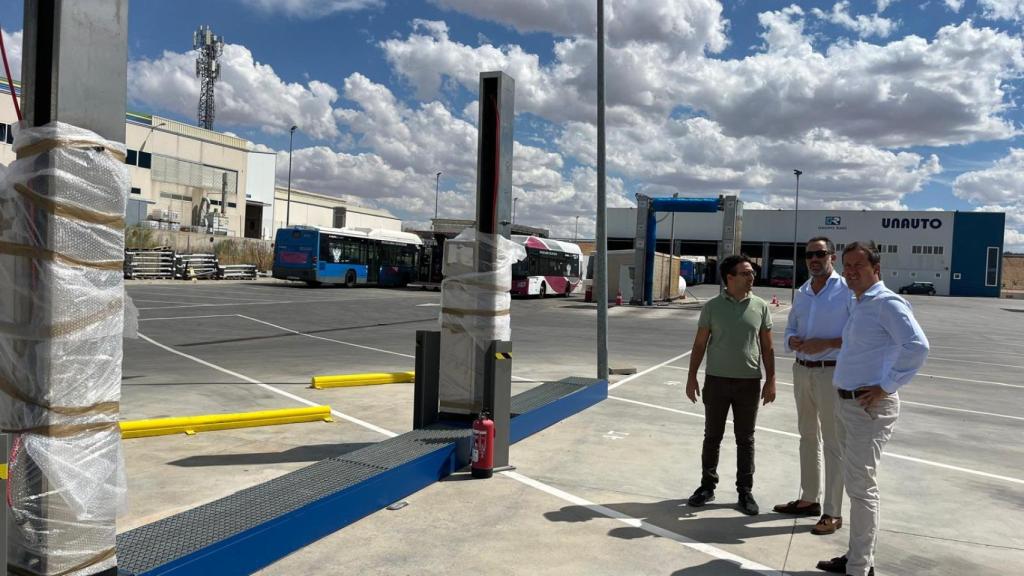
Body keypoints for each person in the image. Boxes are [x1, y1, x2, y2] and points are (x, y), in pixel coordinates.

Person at [816, 241, 929, 576]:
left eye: (858, 266)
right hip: (847, 404)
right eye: (847, 266)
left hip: (868, 408)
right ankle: (856, 556)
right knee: (856, 485)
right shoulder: (859, 303)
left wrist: (887, 385)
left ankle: (860, 567)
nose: (850, 272)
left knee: (862, 488)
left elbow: (917, 346)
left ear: (876, 269)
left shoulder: (886, 303)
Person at [685, 254, 776, 516]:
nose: (752, 277)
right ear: (730, 277)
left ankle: (744, 491)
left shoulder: (760, 306)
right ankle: (707, 486)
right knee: (712, 437)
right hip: (716, 381)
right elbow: (700, 344)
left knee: (745, 439)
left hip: (749, 382)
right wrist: (692, 376)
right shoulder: (712, 307)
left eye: (752, 273)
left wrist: (771, 380)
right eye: (746, 273)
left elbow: (767, 348)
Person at [773, 237, 851, 536]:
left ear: (833, 255)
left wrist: (827, 344)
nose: (814, 259)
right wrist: (791, 339)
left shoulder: (845, 291)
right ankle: (809, 498)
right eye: (809, 255)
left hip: (831, 373)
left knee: (833, 442)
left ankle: (832, 511)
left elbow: (857, 334)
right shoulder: (803, 292)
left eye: (820, 254)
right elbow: (792, 325)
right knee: (807, 435)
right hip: (801, 370)